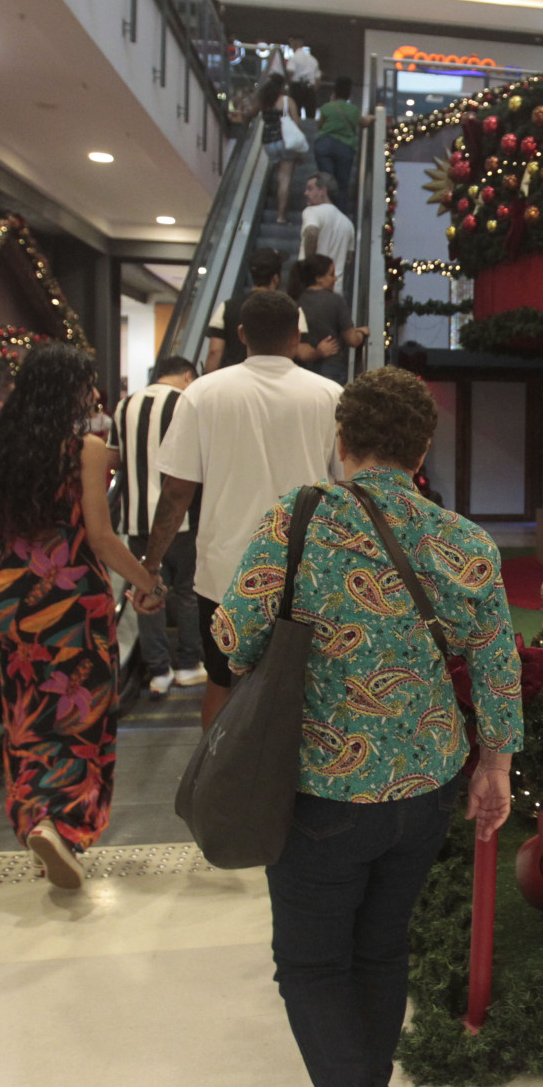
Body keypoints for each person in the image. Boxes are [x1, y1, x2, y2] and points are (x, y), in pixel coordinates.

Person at [216, 365, 522, 1087]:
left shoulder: (299, 518)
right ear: (422, 453)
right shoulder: (463, 542)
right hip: (425, 791)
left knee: (312, 965)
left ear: (342, 439)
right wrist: (496, 768)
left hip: (322, 789)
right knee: (382, 950)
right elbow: (496, 667)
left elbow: (232, 636)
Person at [0, 343, 161, 889]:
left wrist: (9, 572)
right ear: (71, 391)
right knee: (79, 716)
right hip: (72, 602)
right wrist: (147, 581)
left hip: (11, 599)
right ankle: (63, 825)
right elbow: (99, 535)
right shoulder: (84, 450)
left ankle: (35, 816)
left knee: (27, 715)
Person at [144, 291, 342, 729]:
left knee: (221, 682)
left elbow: (176, 494)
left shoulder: (202, 393)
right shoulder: (330, 395)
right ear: (297, 336)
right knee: (306, 689)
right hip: (306, 569)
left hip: (224, 572)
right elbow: (347, 488)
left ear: (240, 334)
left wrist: (151, 565)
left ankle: (216, 788)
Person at [108, 355, 204, 697]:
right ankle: (190, 665)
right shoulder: (187, 401)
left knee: (146, 589)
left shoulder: (125, 405)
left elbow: (115, 459)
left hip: (136, 521)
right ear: (188, 376)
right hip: (182, 519)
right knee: (187, 591)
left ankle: (158, 671)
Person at [287, 253, 367, 383]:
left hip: (303, 373)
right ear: (319, 278)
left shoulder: (296, 301)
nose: (335, 279)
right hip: (332, 370)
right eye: (331, 274)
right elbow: (352, 340)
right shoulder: (335, 301)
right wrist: (362, 332)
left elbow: (300, 348)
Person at [204, 248, 285, 370]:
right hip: (271, 377)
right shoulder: (286, 308)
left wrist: (207, 380)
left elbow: (215, 351)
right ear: (275, 278)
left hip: (233, 378)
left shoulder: (227, 306)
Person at [250, 73, 305, 224]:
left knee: (277, 172)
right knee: (285, 178)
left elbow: (251, 113)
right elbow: (297, 124)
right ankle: (281, 216)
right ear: (283, 86)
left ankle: (274, 199)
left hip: (268, 142)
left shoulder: (264, 101)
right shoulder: (288, 101)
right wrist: (300, 152)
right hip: (285, 142)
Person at [313, 77, 362, 213]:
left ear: (334, 91)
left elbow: (319, 125)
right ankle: (339, 214)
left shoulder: (327, 107)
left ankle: (324, 212)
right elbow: (363, 123)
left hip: (324, 146)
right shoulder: (354, 110)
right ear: (349, 94)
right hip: (345, 148)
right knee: (342, 185)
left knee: (326, 182)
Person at [298, 172, 355, 278]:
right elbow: (349, 258)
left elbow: (311, 232)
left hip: (313, 284)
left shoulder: (312, 211)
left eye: (310, 189)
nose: (306, 193)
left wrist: (309, 268)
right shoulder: (348, 223)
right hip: (335, 286)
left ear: (323, 191)